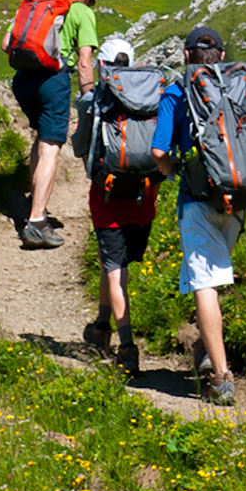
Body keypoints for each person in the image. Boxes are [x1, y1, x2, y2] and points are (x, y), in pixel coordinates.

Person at [151, 26, 246, 407]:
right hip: (242, 197)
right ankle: (203, 350)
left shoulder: (177, 91)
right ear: (223, 54)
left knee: (206, 284)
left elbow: (158, 151)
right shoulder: (238, 86)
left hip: (198, 197)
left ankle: (221, 376)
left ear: (186, 57)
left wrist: (174, 172)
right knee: (213, 276)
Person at [80, 35, 160, 381]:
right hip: (145, 199)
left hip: (108, 199)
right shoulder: (153, 97)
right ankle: (100, 325)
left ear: (104, 65)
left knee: (116, 273)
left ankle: (126, 347)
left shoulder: (95, 99)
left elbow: (80, 148)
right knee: (112, 263)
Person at [10, 0, 99, 250]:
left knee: (40, 138)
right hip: (53, 81)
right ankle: (36, 223)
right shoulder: (82, 12)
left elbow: (5, 44)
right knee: (50, 145)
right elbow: (85, 62)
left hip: (23, 80)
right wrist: (89, 100)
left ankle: (34, 208)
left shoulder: (38, 5)